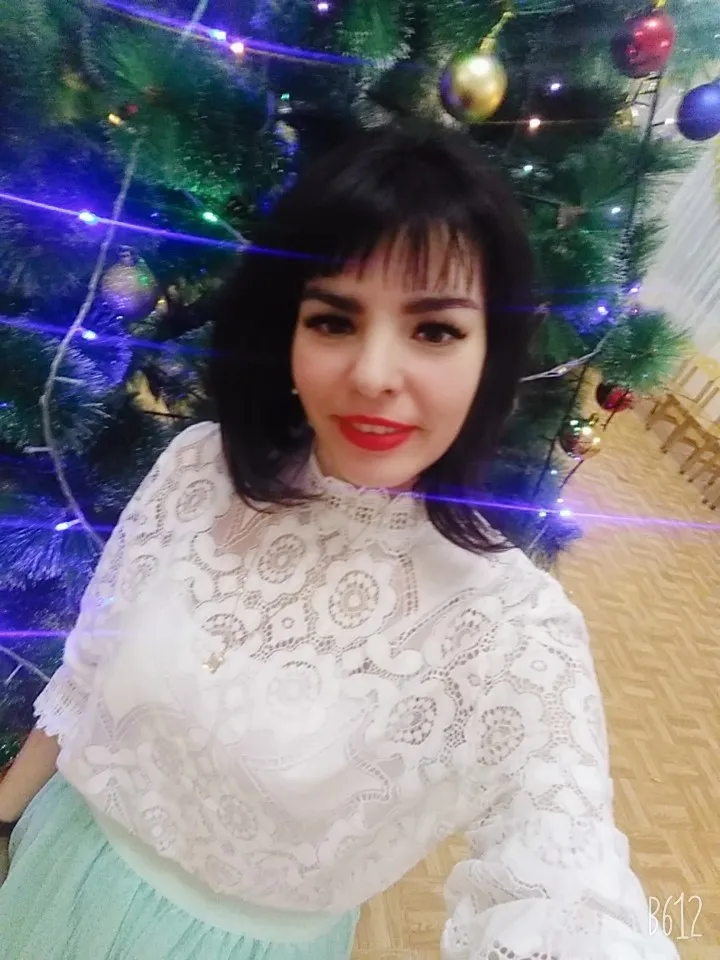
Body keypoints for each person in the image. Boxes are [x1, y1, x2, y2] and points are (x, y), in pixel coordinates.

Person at [0, 124, 678, 960]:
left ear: (491, 353)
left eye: (434, 330)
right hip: (57, 865)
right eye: (333, 320)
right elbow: (88, 674)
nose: (372, 374)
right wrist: (5, 816)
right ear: (289, 333)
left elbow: (564, 880)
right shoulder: (198, 467)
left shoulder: (514, 630)